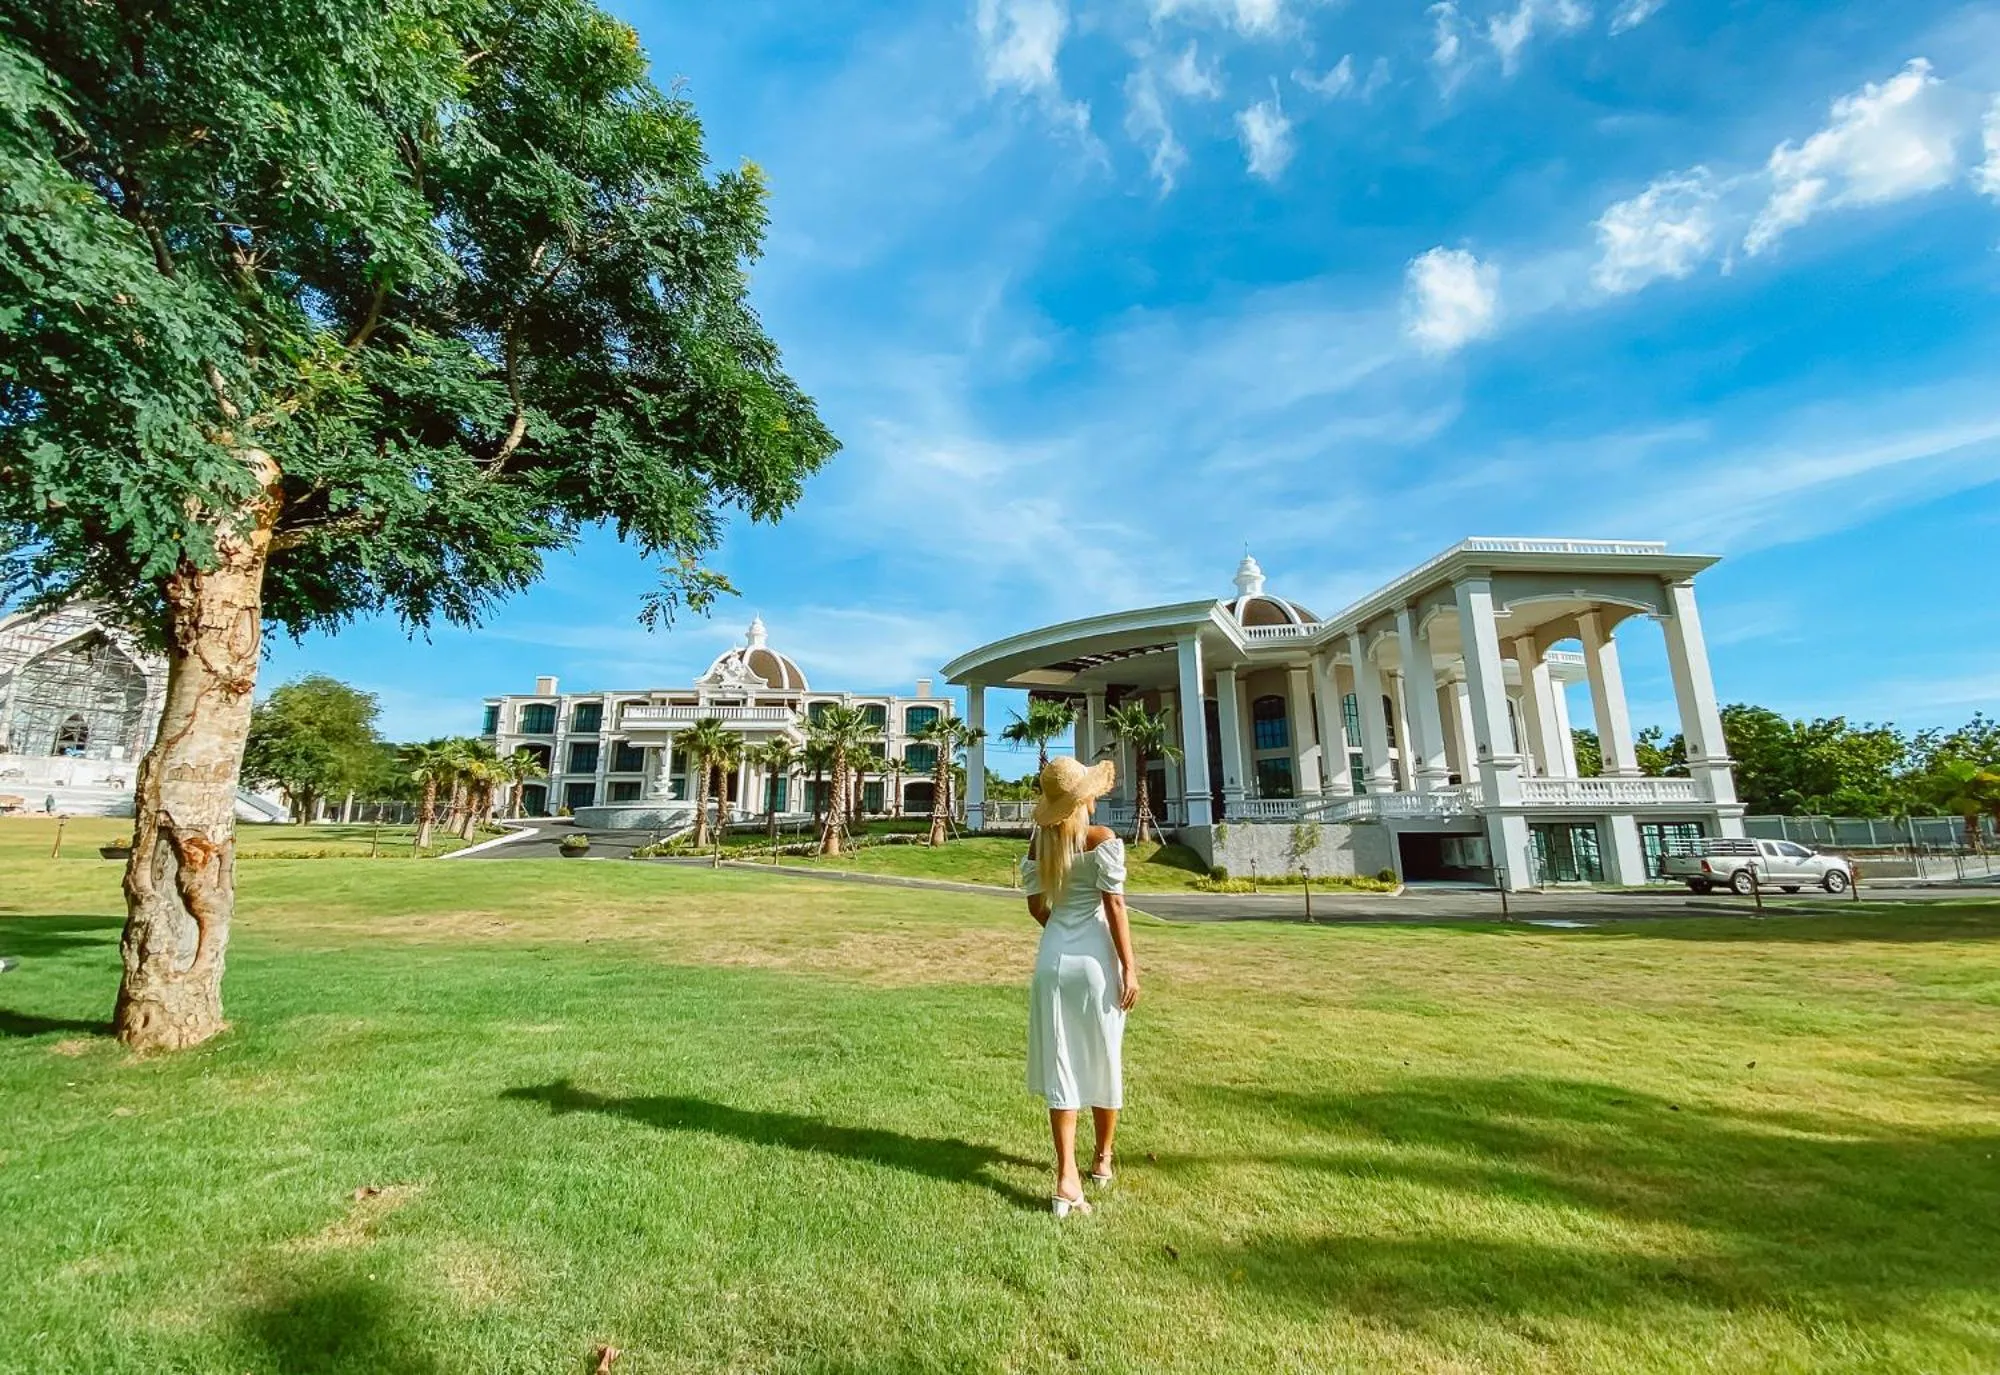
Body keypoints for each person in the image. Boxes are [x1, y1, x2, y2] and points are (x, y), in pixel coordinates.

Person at [1021, 754, 1139, 1217]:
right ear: (1083, 799)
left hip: (1052, 961)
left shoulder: (1040, 846)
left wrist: (1059, 933)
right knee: (1104, 1054)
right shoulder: (1102, 841)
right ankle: (1103, 1160)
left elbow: (1036, 910)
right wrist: (1130, 967)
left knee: (1062, 1060)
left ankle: (1065, 1177)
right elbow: (1115, 908)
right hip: (1094, 960)